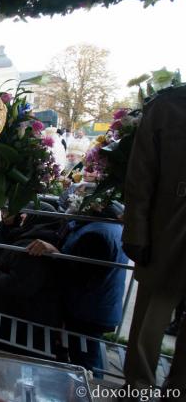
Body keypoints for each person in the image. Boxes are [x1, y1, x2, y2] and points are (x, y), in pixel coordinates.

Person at [121, 85, 186, 396]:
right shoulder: (169, 106)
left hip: (166, 230)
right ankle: (138, 391)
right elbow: (140, 176)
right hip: (166, 234)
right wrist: (136, 232)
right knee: (149, 325)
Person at [27, 204, 128, 377]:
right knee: (86, 353)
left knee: (85, 362)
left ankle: (89, 391)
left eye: (84, 203)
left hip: (88, 309)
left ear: (96, 208)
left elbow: (80, 275)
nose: (76, 205)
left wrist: (55, 253)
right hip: (97, 306)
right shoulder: (108, 228)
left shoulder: (95, 234)